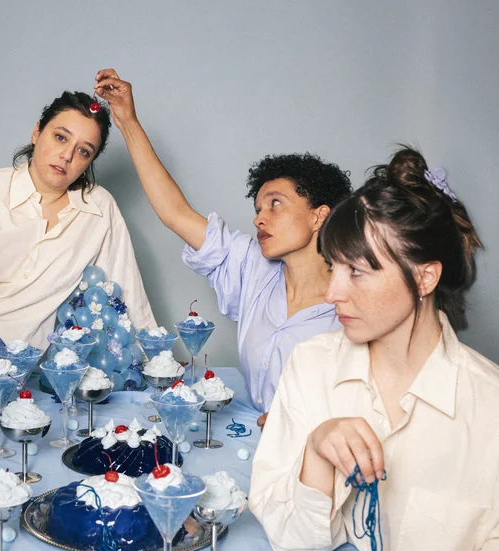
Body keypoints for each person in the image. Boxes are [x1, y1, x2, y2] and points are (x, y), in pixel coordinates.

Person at [249, 147, 499, 551]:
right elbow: (293, 542)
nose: (332, 294)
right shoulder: (312, 364)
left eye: (358, 272)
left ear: (424, 276)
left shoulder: (488, 407)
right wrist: (317, 451)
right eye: (333, 268)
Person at [94, 69, 353, 420]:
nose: (259, 218)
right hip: (253, 443)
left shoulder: (356, 301)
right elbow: (175, 213)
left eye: (276, 204)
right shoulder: (252, 267)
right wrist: (126, 121)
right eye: (258, 208)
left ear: (319, 215)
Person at [0, 90, 156, 406]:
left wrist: (158, 363)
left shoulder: (98, 209)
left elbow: (125, 289)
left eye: (83, 151)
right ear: (37, 131)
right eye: (60, 137)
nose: (66, 156)